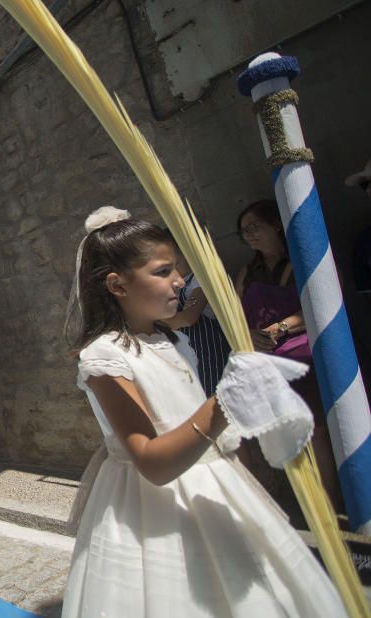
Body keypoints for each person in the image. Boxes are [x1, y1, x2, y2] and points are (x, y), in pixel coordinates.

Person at [61, 212, 344, 617]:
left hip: (218, 487)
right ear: (118, 285)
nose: (179, 279)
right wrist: (224, 402)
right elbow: (151, 462)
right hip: (154, 508)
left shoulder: (172, 338)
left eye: (177, 268)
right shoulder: (106, 356)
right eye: (163, 271)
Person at [233, 199, 341, 509]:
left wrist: (279, 328)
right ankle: (313, 507)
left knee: (317, 432)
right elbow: (238, 314)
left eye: (254, 227)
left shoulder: (304, 261)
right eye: (243, 232)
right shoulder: (248, 272)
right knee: (292, 437)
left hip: (307, 361)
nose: (249, 235)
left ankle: (331, 509)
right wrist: (250, 335)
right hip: (268, 364)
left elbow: (323, 302)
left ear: (275, 224)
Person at [162, 233, 231, 396]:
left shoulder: (201, 278)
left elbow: (187, 318)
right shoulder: (171, 285)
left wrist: (154, 322)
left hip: (210, 354)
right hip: (184, 358)